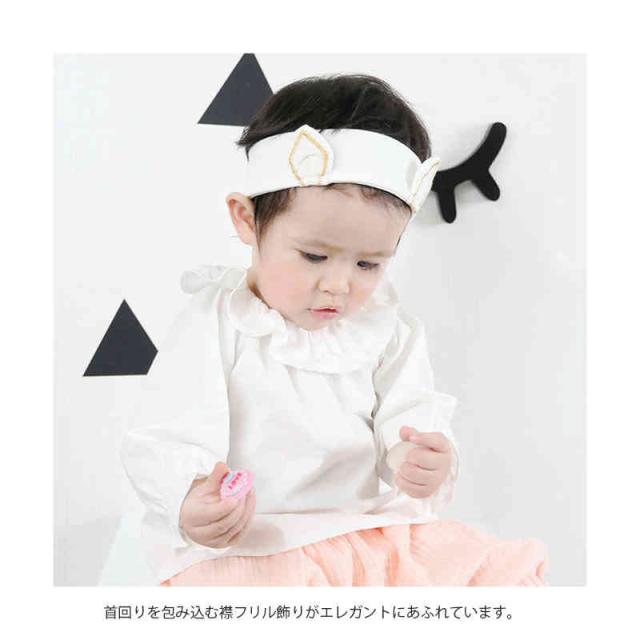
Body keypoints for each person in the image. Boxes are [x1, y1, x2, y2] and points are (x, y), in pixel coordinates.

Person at [121, 73, 549, 586]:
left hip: (366, 531)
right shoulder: (219, 320)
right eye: (314, 256)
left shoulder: (388, 331)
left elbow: (410, 413)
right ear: (247, 220)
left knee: (495, 578)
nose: (339, 286)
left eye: (369, 264)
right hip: (256, 541)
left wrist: (417, 457)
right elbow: (169, 430)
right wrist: (191, 496)